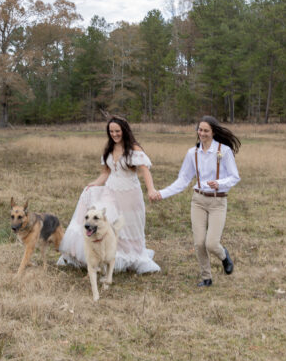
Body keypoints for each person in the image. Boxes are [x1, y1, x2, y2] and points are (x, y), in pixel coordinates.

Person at [58, 117, 161, 274]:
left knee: (127, 228)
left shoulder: (133, 149)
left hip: (129, 195)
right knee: (100, 219)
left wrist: (151, 189)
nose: (114, 134)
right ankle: (88, 254)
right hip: (110, 192)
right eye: (111, 131)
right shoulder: (109, 148)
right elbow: (106, 172)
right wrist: (94, 184)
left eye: (117, 131)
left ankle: (128, 256)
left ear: (124, 131)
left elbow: (145, 170)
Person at [148, 116, 241, 287]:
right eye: (200, 130)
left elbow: (235, 177)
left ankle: (223, 255)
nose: (202, 133)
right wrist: (162, 193)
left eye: (206, 130)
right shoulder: (193, 153)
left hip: (217, 202)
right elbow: (183, 180)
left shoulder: (224, 151)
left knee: (211, 243)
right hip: (198, 200)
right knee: (199, 243)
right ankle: (206, 278)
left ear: (213, 132)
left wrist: (219, 183)